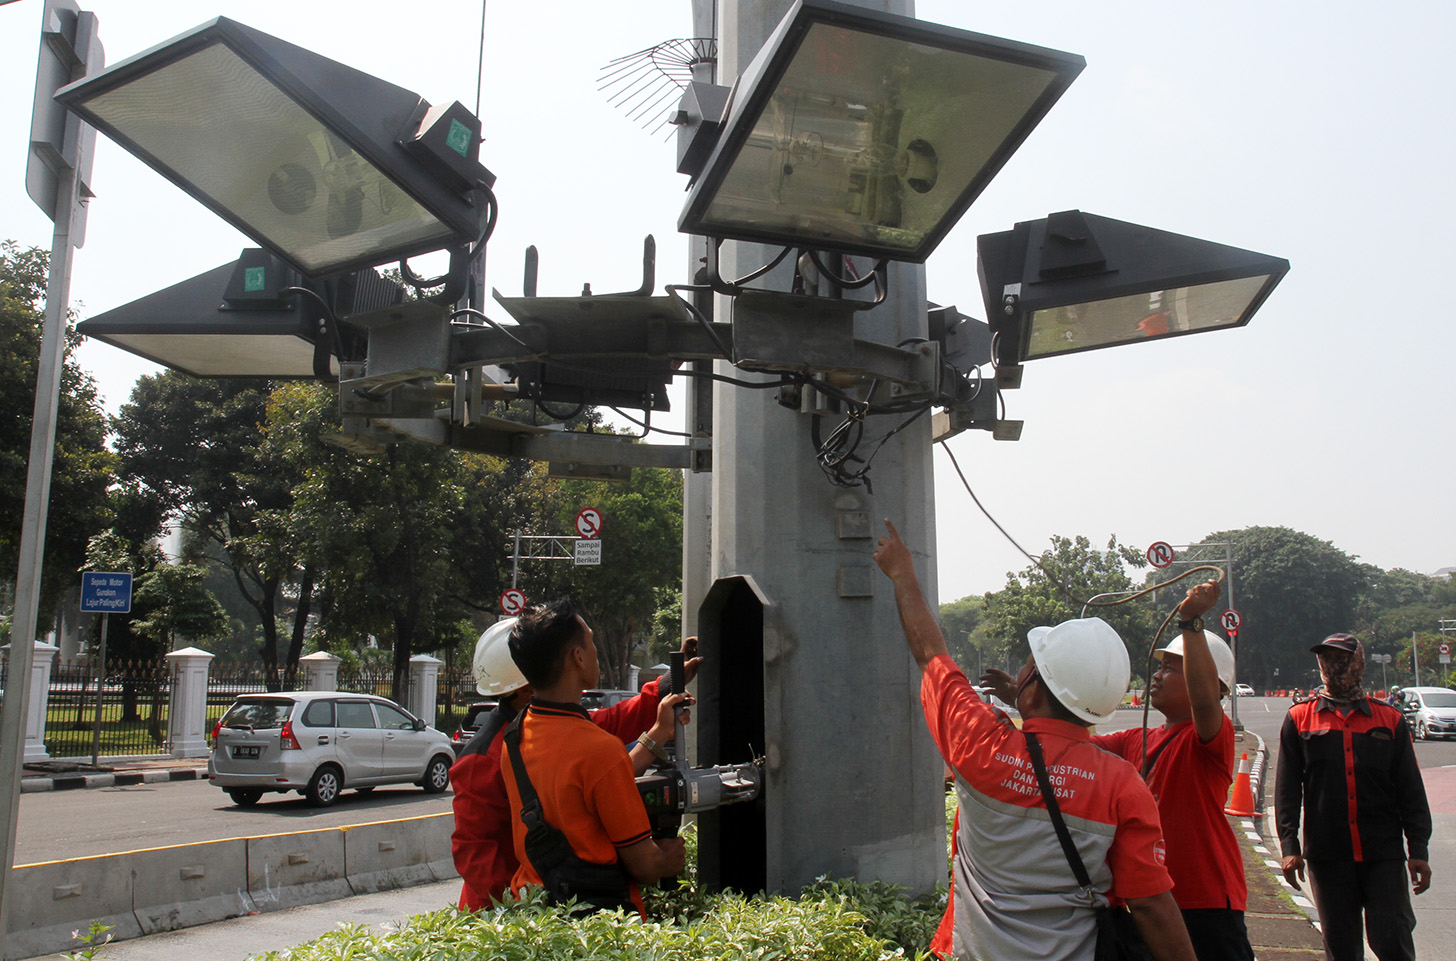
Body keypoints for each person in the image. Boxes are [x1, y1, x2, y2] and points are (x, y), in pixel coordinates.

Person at [873, 519, 1196, 961]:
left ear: (1035, 687)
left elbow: (931, 654)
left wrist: (903, 574)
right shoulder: (1121, 784)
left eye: (1028, 667)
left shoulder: (982, 742)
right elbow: (1150, 903)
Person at [450, 614, 697, 912]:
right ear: (528, 687)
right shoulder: (482, 759)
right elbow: (474, 853)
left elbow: (602, 758)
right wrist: (517, 908)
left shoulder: (522, 733)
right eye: (590, 644)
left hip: (542, 904)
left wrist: (665, 687)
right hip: (517, 907)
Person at [1089, 582, 1253, 961]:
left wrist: (1191, 624)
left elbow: (1205, 700)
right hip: (1153, 901)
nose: (1156, 677)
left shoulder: (1209, 738)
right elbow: (1076, 746)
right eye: (1158, 667)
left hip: (1207, 900)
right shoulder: (1135, 740)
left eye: (1170, 669)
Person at [1275, 633, 1432, 961]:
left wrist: (1418, 850)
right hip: (1328, 856)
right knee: (1341, 946)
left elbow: (1410, 790)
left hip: (1383, 855)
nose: (1334, 667)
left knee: (1393, 939)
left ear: (1358, 662)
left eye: (1342, 659)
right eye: (1328, 659)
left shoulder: (1389, 719)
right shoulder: (1299, 719)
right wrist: (1290, 847)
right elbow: (1287, 790)